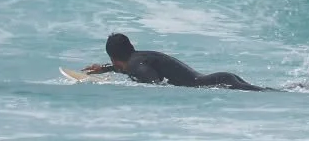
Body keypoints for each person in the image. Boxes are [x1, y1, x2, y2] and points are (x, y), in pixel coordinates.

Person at [82, 33, 272, 91]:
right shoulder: (137, 59)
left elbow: (155, 84)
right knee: (268, 92)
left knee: (271, 93)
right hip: (221, 80)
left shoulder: (136, 65)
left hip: (220, 83)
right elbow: (131, 70)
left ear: (114, 58)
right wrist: (103, 70)